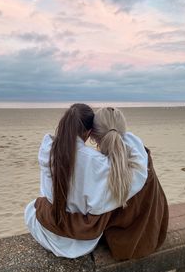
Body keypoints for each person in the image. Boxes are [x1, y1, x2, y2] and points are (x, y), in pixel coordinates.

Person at [24, 104, 150, 258]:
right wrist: (124, 136)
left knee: (32, 207)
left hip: (44, 231)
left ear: (63, 126)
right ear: (89, 133)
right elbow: (138, 173)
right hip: (81, 244)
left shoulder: (47, 150)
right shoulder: (99, 163)